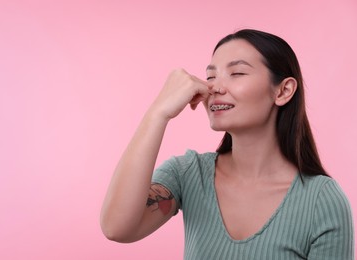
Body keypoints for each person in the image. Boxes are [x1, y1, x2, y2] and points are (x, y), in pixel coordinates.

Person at [100, 29, 354, 259]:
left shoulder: (322, 201)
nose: (215, 87)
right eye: (211, 76)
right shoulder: (188, 174)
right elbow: (116, 227)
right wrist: (158, 113)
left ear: (283, 91)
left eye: (237, 73)